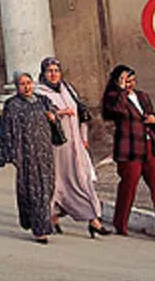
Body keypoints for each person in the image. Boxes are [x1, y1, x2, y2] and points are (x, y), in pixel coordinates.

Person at [102, 64, 155, 245]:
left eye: (132, 80)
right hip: (130, 150)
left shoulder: (142, 96)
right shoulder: (113, 98)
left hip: (150, 147)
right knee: (128, 188)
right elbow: (117, 110)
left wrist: (154, 120)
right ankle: (120, 224)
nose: (130, 84)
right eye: (126, 80)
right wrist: (121, 90)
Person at [35, 57, 108, 238]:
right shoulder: (39, 94)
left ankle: (94, 219)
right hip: (55, 148)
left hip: (76, 146)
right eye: (49, 71)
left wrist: (84, 138)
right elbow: (37, 119)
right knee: (56, 182)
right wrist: (58, 113)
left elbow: (82, 115)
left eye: (56, 71)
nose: (53, 75)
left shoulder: (68, 90)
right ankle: (52, 216)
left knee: (83, 179)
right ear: (43, 74)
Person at [0, 71, 58, 244]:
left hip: (44, 152)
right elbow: (7, 130)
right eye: (22, 84)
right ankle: (41, 230)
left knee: (47, 188)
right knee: (33, 190)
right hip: (25, 154)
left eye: (28, 83)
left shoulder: (43, 101)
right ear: (17, 87)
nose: (26, 87)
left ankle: (33, 219)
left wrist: (53, 119)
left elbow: (55, 124)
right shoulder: (12, 105)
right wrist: (8, 153)